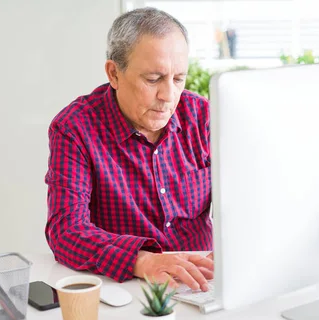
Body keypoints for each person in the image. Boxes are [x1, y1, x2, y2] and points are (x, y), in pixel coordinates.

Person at [45, 7, 213, 292]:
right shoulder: (74, 128)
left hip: (202, 284)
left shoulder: (202, 117)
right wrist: (143, 261)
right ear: (114, 73)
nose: (168, 96)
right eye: (153, 79)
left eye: (178, 79)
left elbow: (245, 203)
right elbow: (66, 232)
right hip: (128, 287)